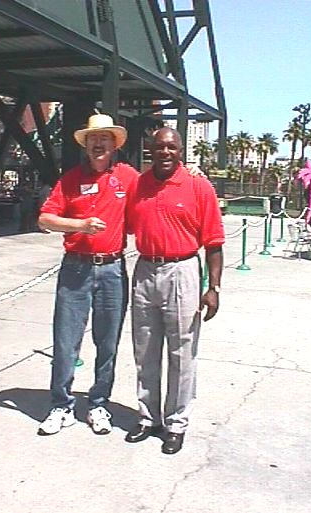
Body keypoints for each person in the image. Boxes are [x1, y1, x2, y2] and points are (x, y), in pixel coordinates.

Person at [37, 113, 138, 436]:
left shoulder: (128, 177)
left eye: (104, 138)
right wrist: (79, 225)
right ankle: (61, 405)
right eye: (94, 139)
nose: (99, 144)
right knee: (66, 341)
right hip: (75, 268)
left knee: (107, 343)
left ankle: (98, 404)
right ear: (86, 145)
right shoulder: (70, 179)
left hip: (112, 269)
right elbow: (45, 219)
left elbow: (158, 190)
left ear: (114, 145)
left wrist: (190, 173)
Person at [125, 127, 225, 454]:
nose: (165, 152)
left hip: (182, 270)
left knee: (181, 352)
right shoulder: (138, 185)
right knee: (145, 349)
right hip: (144, 270)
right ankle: (148, 417)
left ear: (180, 150)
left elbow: (214, 242)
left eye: (171, 147)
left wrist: (214, 287)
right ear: (150, 149)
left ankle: (176, 423)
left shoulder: (198, 185)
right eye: (159, 147)